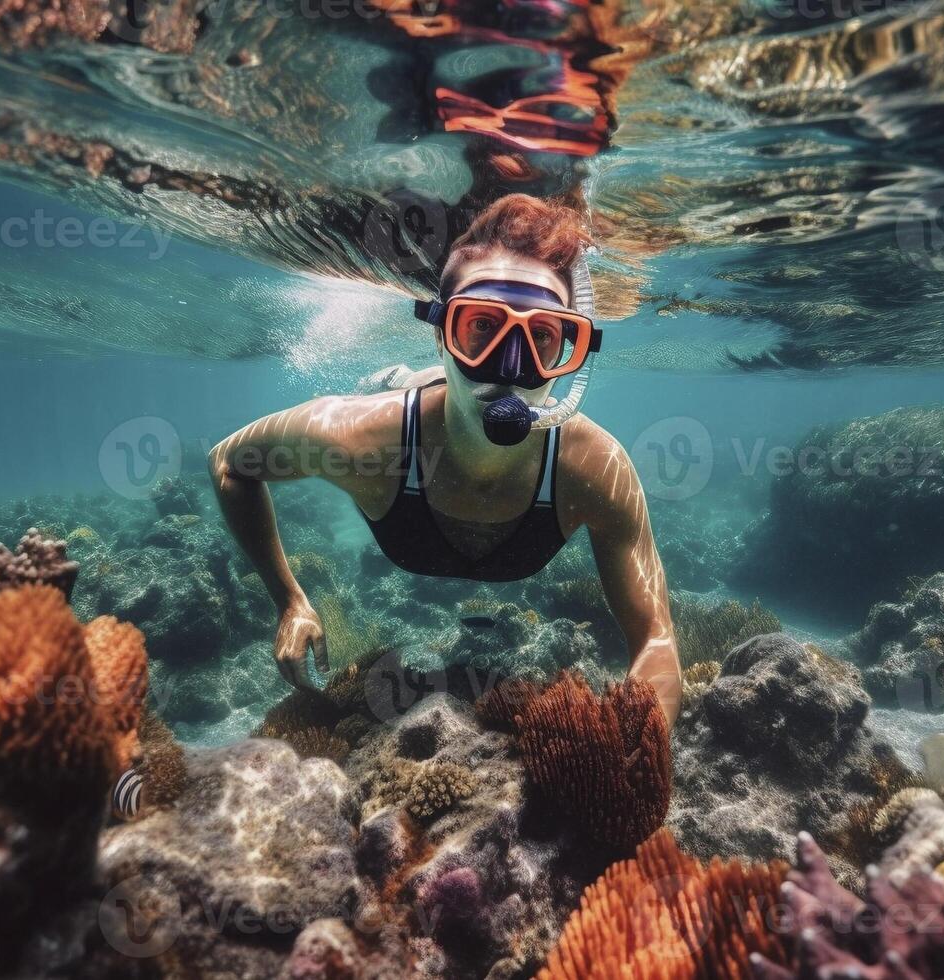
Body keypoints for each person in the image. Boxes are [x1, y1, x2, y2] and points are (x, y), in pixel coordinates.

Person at [209, 194, 681, 725]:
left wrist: (639, 751)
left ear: (569, 355)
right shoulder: (362, 440)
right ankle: (396, 378)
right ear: (440, 334)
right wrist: (288, 600)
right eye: (480, 327)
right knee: (407, 389)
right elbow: (230, 462)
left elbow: (657, 639)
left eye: (542, 338)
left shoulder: (595, 469)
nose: (508, 368)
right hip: (417, 399)